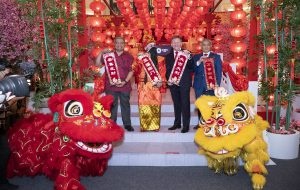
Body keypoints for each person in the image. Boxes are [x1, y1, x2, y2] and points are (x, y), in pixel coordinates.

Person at [98, 36, 134, 132]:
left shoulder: (129, 56)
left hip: (125, 84)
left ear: (124, 44)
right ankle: (111, 124)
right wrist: (101, 52)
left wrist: (125, 81)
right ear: (114, 44)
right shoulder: (108, 55)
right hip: (111, 85)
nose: (119, 44)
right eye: (117, 42)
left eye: (121, 43)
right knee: (111, 105)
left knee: (125, 104)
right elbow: (97, 63)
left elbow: (131, 71)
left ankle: (127, 124)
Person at [133, 34, 163, 132]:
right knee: (143, 104)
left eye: (153, 45)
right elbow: (135, 70)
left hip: (155, 83)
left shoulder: (160, 59)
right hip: (143, 84)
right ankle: (145, 125)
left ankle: (154, 125)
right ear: (146, 47)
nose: (151, 48)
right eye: (149, 46)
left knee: (155, 103)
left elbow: (163, 71)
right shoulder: (140, 58)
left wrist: (161, 81)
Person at [165, 36, 194, 133]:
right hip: (173, 83)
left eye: (178, 42)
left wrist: (189, 57)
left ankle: (186, 126)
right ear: (171, 44)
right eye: (174, 42)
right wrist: (168, 80)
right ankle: (177, 123)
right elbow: (168, 70)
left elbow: (192, 67)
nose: (176, 44)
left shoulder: (186, 53)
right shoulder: (168, 56)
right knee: (176, 104)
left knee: (185, 104)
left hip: (184, 83)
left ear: (181, 44)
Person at [193, 38, 222, 129]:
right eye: (204, 45)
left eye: (207, 45)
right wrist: (199, 62)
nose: (206, 46)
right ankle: (200, 123)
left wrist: (217, 85)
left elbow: (219, 72)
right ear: (201, 46)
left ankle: (210, 123)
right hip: (199, 85)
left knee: (211, 105)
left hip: (211, 85)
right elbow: (193, 70)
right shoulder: (196, 57)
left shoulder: (216, 57)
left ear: (210, 46)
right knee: (200, 105)